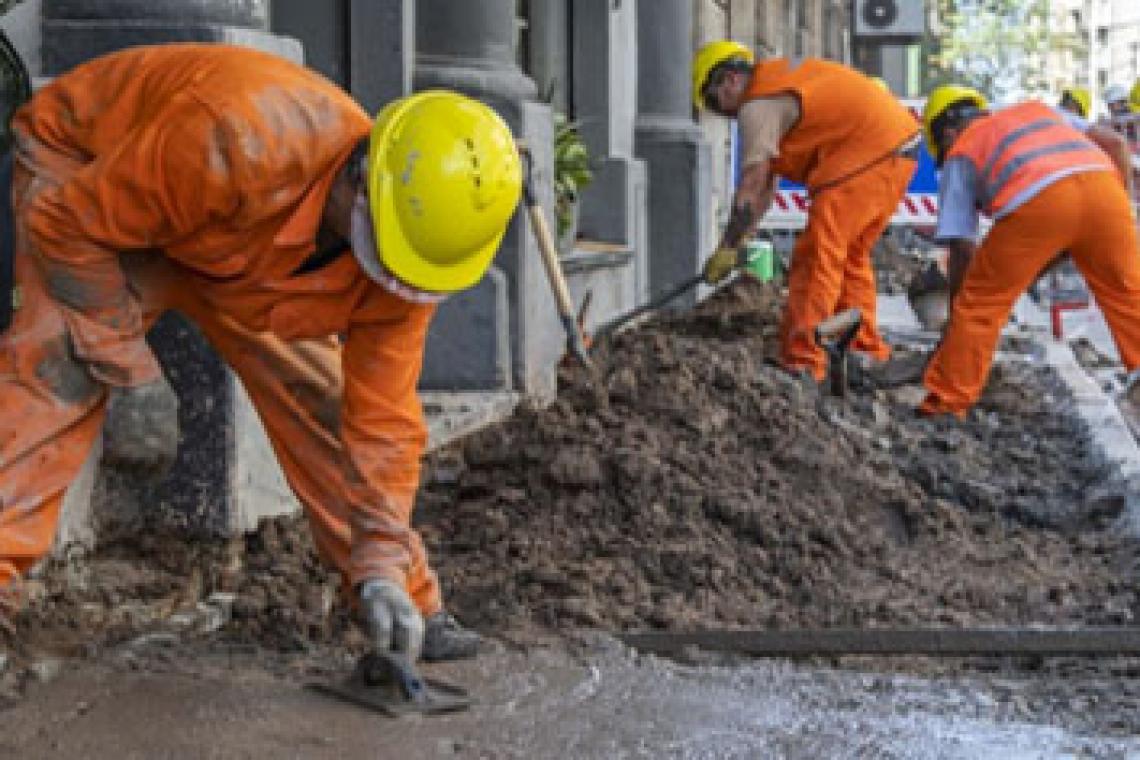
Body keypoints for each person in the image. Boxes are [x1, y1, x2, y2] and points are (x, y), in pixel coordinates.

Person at [0, 44, 524, 662]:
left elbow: (381, 419)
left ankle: (402, 605)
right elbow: (68, 223)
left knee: (323, 402)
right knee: (56, 363)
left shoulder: (412, 249)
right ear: (360, 182)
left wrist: (381, 562)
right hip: (88, 180)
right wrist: (132, 371)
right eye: (382, 259)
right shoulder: (236, 136)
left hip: (230, 247)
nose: (388, 285)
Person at [692, 41, 919, 380]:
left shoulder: (758, 104)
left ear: (729, 80)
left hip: (866, 153)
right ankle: (862, 351)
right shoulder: (779, 87)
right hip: (894, 150)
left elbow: (752, 184)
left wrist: (727, 247)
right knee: (849, 258)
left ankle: (804, 361)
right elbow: (766, 189)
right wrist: (741, 241)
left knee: (817, 256)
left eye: (715, 104)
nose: (725, 116)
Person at [918, 84, 1140, 417]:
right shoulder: (1039, 110)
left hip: (1039, 202)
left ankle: (947, 403)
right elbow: (1115, 143)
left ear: (947, 133)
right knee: (1128, 296)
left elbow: (962, 247)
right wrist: (1115, 210)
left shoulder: (961, 152)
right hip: (1105, 192)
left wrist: (957, 319)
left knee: (980, 305)